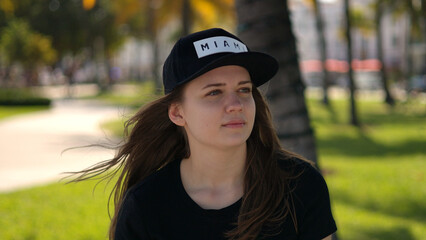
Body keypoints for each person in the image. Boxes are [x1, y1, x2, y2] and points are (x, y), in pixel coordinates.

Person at [74, 28, 337, 240]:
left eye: (244, 90)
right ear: (178, 113)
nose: (235, 104)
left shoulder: (300, 186)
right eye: (214, 92)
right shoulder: (146, 206)